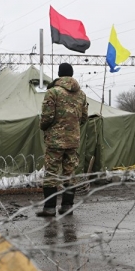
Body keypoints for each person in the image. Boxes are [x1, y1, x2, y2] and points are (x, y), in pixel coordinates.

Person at [38, 63, 88, 216]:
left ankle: (50, 208)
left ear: (59, 74)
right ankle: (67, 206)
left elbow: (47, 117)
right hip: (73, 140)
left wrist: (44, 127)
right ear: (71, 75)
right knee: (70, 172)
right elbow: (84, 117)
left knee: (51, 173)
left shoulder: (52, 92)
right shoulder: (81, 94)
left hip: (55, 140)